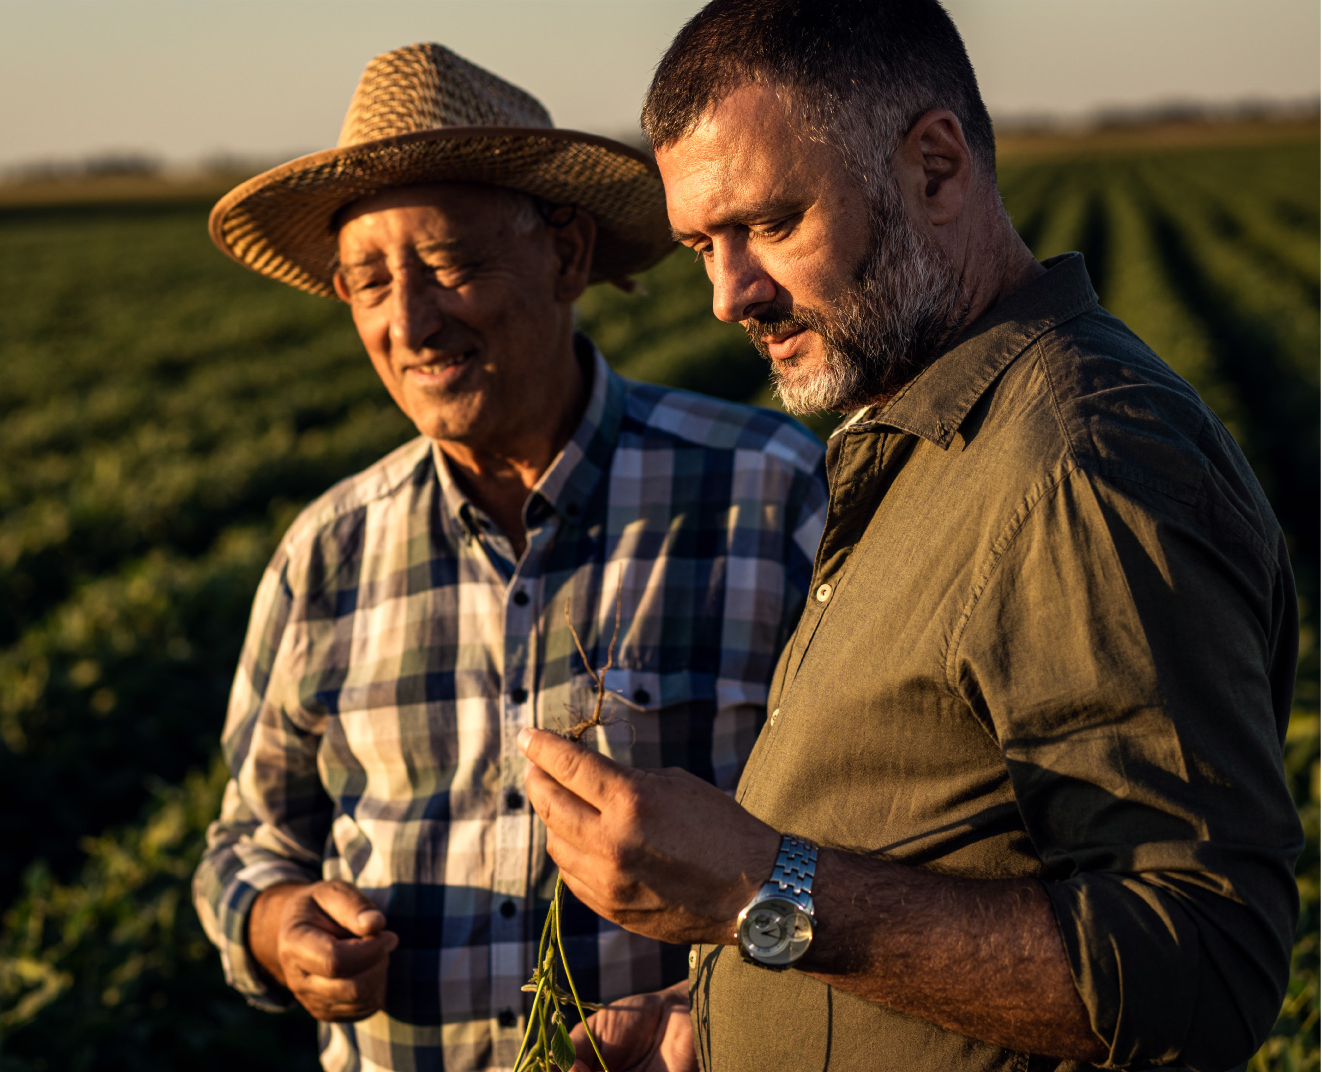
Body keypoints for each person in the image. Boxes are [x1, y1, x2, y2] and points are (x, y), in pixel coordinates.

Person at [520, 3, 1304, 1071]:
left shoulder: (1077, 464)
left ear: (936, 168)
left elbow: (1202, 962)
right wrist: (724, 1015)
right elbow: (943, 847)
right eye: (705, 243)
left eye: (772, 222)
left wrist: (759, 885)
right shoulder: (919, 436)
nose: (725, 295)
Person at [190, 42, 828, 1072]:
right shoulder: (328, 552)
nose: (411, 320)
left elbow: (875, 846)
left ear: (567, 256)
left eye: (451, 267)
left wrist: (726, 1000)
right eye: (368, 283)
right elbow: (248, 842)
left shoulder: (771, 491)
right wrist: (276, 923)